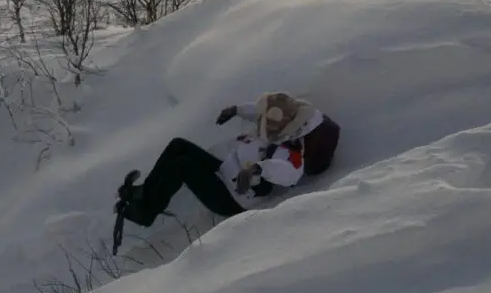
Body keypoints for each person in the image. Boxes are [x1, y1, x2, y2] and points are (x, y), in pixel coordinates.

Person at [114, 92, 341, 232]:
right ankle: (145, 192)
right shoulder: (281, 124)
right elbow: (261, 112)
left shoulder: (289, 148)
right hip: (225, 173)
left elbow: (289, 172)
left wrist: (258, 168)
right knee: (178, 145)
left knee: (181, 166)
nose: (261, 121)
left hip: (231, 198)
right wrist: (237, 110)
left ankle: (145, 213)